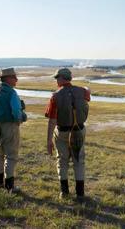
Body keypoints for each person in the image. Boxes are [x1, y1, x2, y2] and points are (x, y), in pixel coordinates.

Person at [45, 68, 90, 201]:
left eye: (57, 78)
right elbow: (88, 96)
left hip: (63, 132)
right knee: (79, 161)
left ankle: (64, 192)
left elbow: (52, 120)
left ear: (61, 78)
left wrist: (49, 140)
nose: (56, 81)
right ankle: (80, 194)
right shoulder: (83, 91)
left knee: (62, 161)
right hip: (79, 130)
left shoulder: (55, 96)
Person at [0, 68, 27, 193]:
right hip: (10, 126)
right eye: (14, 77)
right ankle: (10, 186)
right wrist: (21, 118)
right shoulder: (11, 93)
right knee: (11, 156)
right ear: (8, 78)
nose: (16, 79)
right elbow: (16, 111)